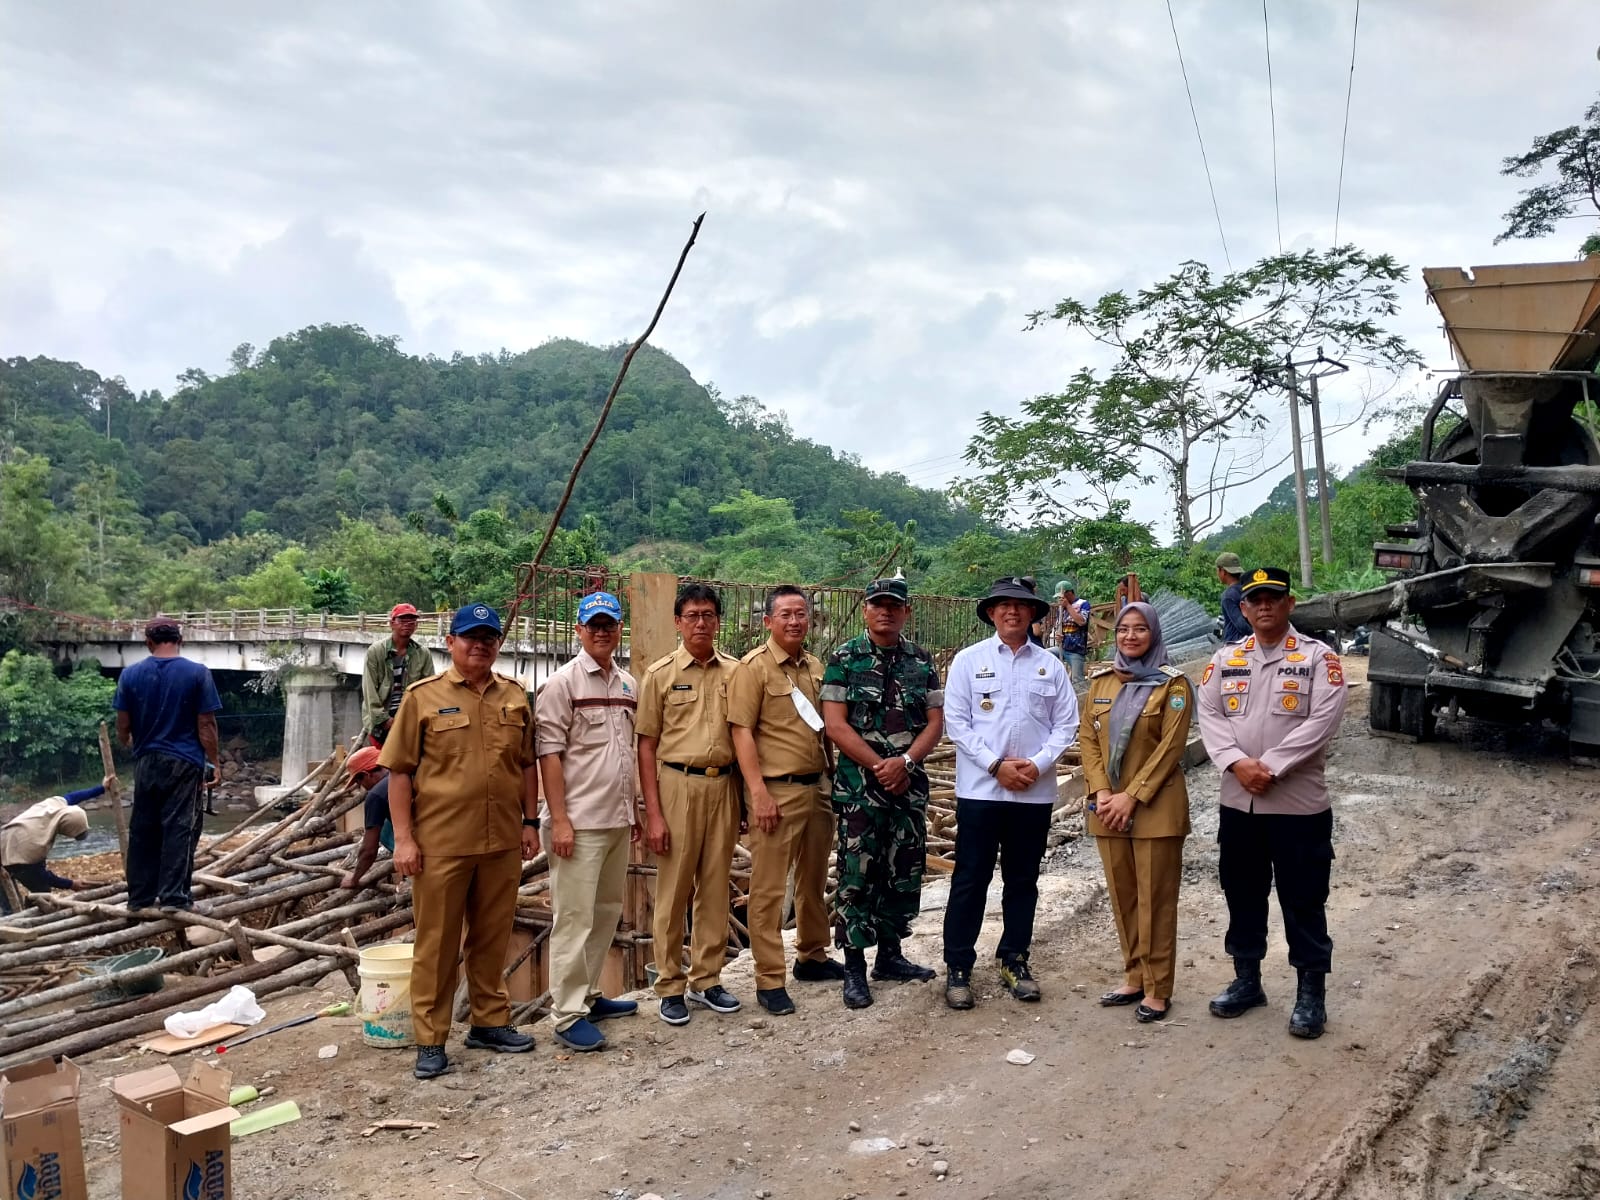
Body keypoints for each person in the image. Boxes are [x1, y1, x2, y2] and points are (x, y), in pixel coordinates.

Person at [379, 602, 540, 1080]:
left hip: (501, 841)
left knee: (492, 937)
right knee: (438, 943)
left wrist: (530, 822)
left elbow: (527, 765)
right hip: (442, 844)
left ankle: (490, 1022)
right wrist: (404, 840)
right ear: (450, 642)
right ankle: (431, 1038)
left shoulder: (514, 695)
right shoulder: (422, 698)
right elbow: (400, 773)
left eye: (489, 637)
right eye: (470, 636)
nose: (480, 644)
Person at [1196, 567, 1348, 1040]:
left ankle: (1310, 993)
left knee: (1303, 899)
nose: (1263, 606)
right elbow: (1211, 714)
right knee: (1242, 892)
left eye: (1273, 598)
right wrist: (1237, 763)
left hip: (1298, 807)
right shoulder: (1225, 660)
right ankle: (1247, 980)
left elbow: (1323, 720)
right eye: (1254, 599)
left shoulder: (1319, 660)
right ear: (1243, 607)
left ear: (1289, 604)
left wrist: (1270, 766)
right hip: (1239, 805)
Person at [941, 577, 1078, 1010]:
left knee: (1023, 881)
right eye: (1003, 606)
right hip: (982, 791)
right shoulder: (968, 661)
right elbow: (957, 723)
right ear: (992, 613)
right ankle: (958, 966)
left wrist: (1036, 766)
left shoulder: (1050, 666)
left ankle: (1014, 959)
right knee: (970, 879)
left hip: (1033, 793)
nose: (1012, 612)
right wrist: (996, 766)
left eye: (1021, 606)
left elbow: (1066, 725)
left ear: (1034, 613)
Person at [820, 575, 946, 1009]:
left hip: (906, 787)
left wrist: (906, 762)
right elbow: (835, 725)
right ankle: (854, 965)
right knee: (858, 873)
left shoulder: (920, 660)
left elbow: (935, 722)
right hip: (861, 789)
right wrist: (879, 765)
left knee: (904, 868)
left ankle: (890, 955)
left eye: (894, 605)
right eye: (878, 604)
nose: (886, 611)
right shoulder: (844, 658)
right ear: (865, 609)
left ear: (906, 612)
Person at [727, 584, 845, 1017]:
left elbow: (824, 729)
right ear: (768, 621)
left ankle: (811, 954)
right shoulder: (752, 669)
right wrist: (756, 792)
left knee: (813, 879)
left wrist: (831, 778)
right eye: (786, 615)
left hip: (817, 788)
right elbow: (741, 732)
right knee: (770, 887)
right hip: (775, 790)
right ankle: (769, 977)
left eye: (801, 614)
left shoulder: (815, 667)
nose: (795, 621)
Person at [535, 591, 642, 1052]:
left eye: (610, 624)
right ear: (579, 630)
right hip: (577, 824)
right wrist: (559, 820)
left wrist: (633, 809)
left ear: (620, 629)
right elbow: (549, 755)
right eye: (593, 624)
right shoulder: (562, 684)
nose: (602, 631)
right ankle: (566, 1013)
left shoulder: (627, 685)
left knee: (604, 913)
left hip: (616, 819)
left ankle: (591, 994)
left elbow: (629, 753)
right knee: (573, 919)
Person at [1080, 601, 1193, 1023]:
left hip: (1155, 807)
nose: (1130, 636)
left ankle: (1158, 987)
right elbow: (1088, 740)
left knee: (1156, 900)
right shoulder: (1102, 682)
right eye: (1123, 629)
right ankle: (1133, 976)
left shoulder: (1173, 685)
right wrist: (1102, 791)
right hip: (1107, 807)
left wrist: (1132, 796)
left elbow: (1171, 749)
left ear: (1154, 634)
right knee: (1123, 894)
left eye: (1140, 630)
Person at [638, 583, 743, 1026]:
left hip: (724, 786)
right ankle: (668, 983)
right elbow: (646, 746)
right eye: (692, 615)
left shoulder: (736, 673)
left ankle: (707, 979)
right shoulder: (659, 675)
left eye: (708, 615)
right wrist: (654, 813)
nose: (701, 622)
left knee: (716, 888)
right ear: (678, 622)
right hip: (677, 784)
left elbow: (745, 736)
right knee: (674, 889)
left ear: (718, 621)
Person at [113, 617, 222, 914]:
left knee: (143, 827)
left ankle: (139, 897)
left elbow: (122, 725)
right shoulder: (197, 673)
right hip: (185, 761)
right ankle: (174, 897)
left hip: (146, 760)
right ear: (180, 640)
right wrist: (214, 762)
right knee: (180, 826)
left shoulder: (130, 675)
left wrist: (131, 742)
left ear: (149, 643)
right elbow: (206, 724)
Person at [0, 775, 115, 911]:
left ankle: (27, 910)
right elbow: (41, 875)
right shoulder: (36, 841)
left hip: (11, 843)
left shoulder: (56, 806)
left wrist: (101, 788)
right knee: (17, 900)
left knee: (40, 893)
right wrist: (70, 884)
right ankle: (14, 919)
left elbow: (74, 796)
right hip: (10, 851)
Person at [362, 603, 434, 745]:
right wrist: (384, 720)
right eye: (402, 620)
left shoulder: (423, 654)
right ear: (392, 624)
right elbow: (369, 691)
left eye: (412, 621)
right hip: (382, 720)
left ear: (416, 625)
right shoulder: (375, 652)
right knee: (382, 763)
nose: (407, 624)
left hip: (410, 720)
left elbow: (429, 689)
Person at [339, 745, 392, 890]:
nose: (361, 786)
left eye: (359, 781)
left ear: (367, 774)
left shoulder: (376, 795)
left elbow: (369, 849)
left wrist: (355, 878)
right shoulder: (406, 775)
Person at [1044, 581, 1092, 684]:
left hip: (1076, 650)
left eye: (1061, 597)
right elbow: (1058, 626)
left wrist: (1069, 606)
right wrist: (1058, 635)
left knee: (1078, 681)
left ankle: (1080, 699)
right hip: (1062, 647)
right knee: (1044, 655)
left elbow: (1081, 621)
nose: (1059, 600)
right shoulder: (1062, 609)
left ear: (1069, 593)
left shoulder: (1083, 604)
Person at [1216, 552, 1251, 644]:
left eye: (1217, 570)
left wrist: (1254, 637)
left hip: (1236, 643)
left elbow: (1241, 624)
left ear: (1223, 571)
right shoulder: (1248, 588)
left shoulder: (1228, 596)